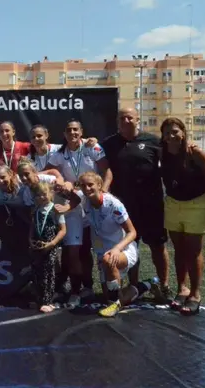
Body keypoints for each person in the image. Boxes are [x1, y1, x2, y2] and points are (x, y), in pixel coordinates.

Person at [101, 108, 171, 302]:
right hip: (124, 207)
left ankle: (164, 286)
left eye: (130, 117)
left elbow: (172, 156)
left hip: (152, 205)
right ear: (117, 121)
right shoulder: (109, 143)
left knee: (158, 246)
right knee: (130, 247)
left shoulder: (153, 142)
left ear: (138, 119)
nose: (126, 120)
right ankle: (133, 286)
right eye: (122, 117)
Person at [160, 117, 205, 315]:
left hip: (198, 205)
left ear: (184, 132)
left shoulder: (195, 152)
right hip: (173, 204)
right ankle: (182, 288)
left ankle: (195, 294)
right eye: (167, 132)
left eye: (175, 131)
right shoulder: (162, 152)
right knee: (178, 249)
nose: (171, 136)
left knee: (194, 251)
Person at [47, 119, 110, 306]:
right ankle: (74, 291)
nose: (73, 133)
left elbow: (107, 171)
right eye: (69, 130)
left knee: (90, 249)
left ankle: (90, 287)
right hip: (72, 203)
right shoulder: (59, 154)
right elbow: (48, 170)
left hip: (94, 201)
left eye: (76, 130)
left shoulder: (93, 147)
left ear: (81, 131)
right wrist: (60, 179)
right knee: (73, 249)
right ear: (64, 134)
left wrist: (104, 192)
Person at [75, 172, 140, 318]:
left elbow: (132, 232)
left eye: (90, 184)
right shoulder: (84, 199)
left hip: (123, 250)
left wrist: (117, 249)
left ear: (99, 185)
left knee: (108, 261)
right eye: (83, 185)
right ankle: (142, 287)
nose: (87, 188)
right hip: (103, 252)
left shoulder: (113, 204)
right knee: (109, 294)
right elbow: (68, 191)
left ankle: (115, 304)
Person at [29, 182, 67, 313]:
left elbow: (62, 230)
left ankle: (48, 301)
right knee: (36, 271)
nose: (41, 197)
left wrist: (52, 243)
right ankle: (38, 299)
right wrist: (30, 239)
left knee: (49, 272)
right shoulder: (36, 210)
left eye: (44, 194)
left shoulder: (55, 209)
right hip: (37, 245)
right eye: (38, 195)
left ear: (51, 194)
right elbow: (32, 227)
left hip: (50, 245)